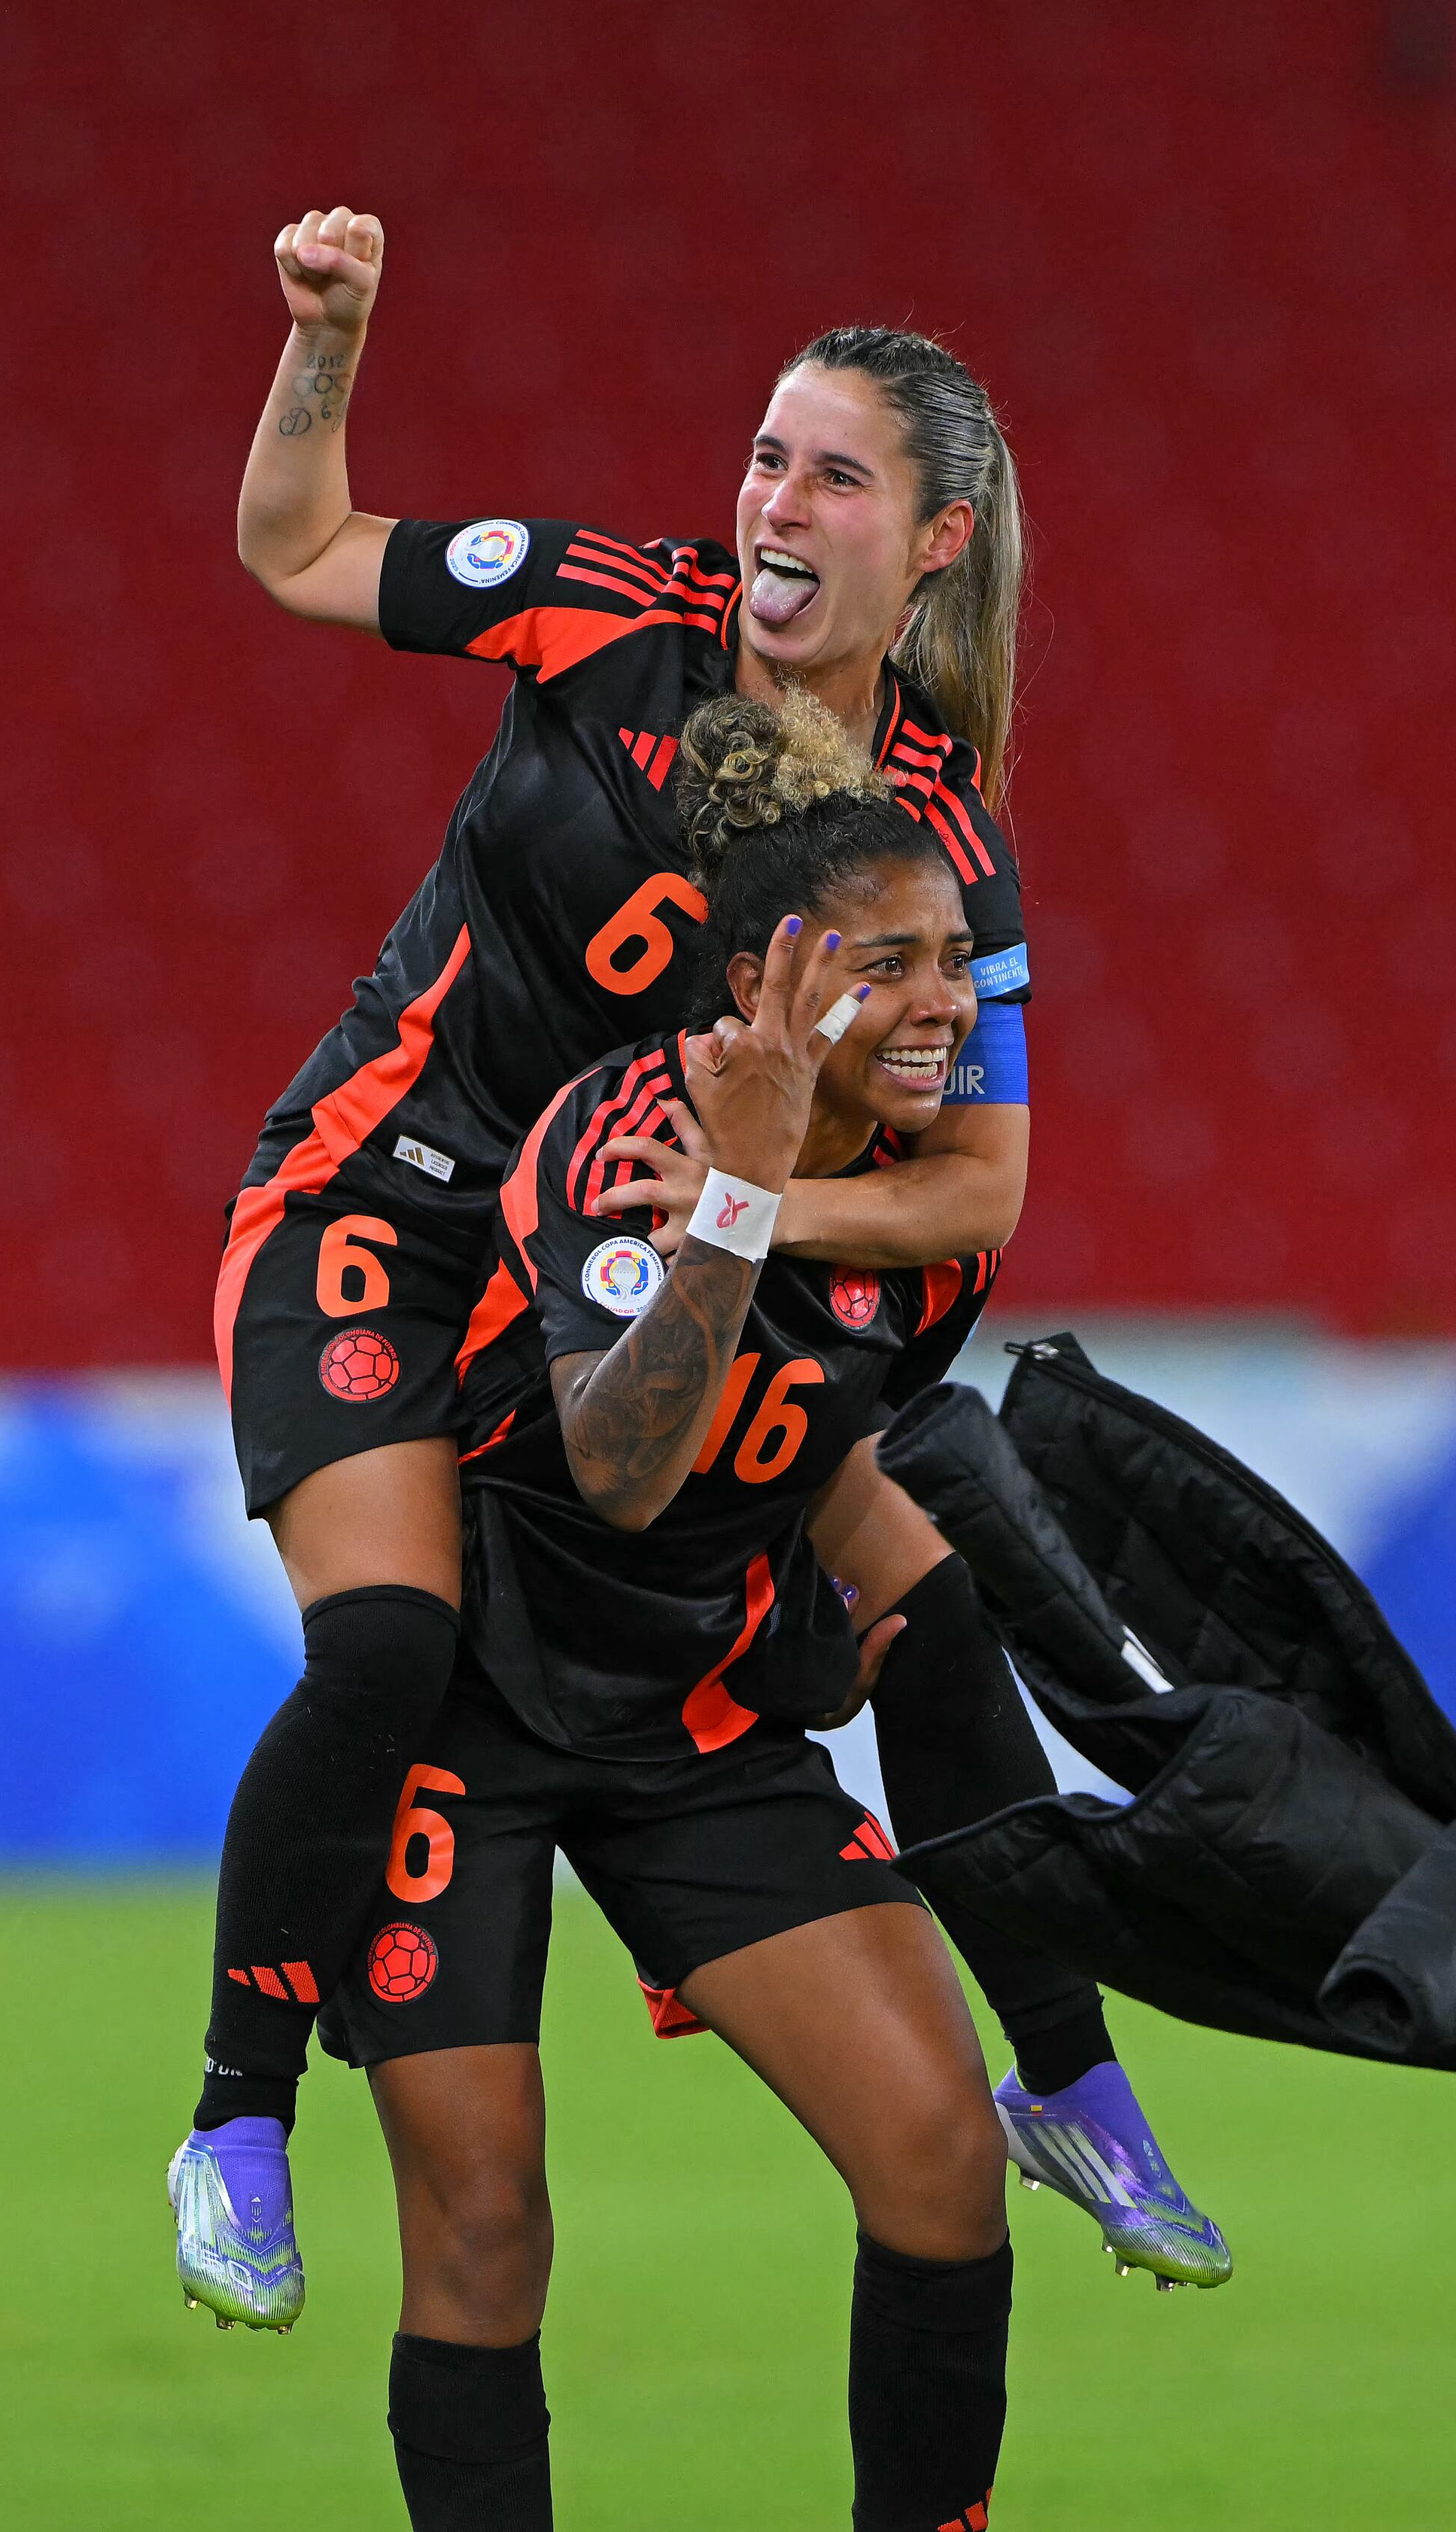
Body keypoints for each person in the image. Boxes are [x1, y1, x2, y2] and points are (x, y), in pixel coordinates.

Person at [176, 204, 1219, 2325]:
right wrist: (328, 340)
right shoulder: (597, 618)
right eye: (764, 457)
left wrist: (731, 1219)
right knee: (381, 1648)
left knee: (932, 1599)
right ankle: (236, 2106)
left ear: (932, 543)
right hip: (383, 1208)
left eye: (832, 473)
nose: (770, 502)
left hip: (643, 1284)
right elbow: (296, 545)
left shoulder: (943, 843)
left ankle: (1073, 2074)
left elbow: (982, 1190)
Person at [333, 696, 1032, 2531]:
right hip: (468, 1706)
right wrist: (736, 1190)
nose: (953, 1002)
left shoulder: (935, 1202)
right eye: (895, 963)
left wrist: (813, 1611)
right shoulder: (614, 1131)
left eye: (959, 959)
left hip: (687, 1711)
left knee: (944, 2154)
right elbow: (623, 1459)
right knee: (484, 2219)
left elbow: (805, 1445)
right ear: (776, 980)